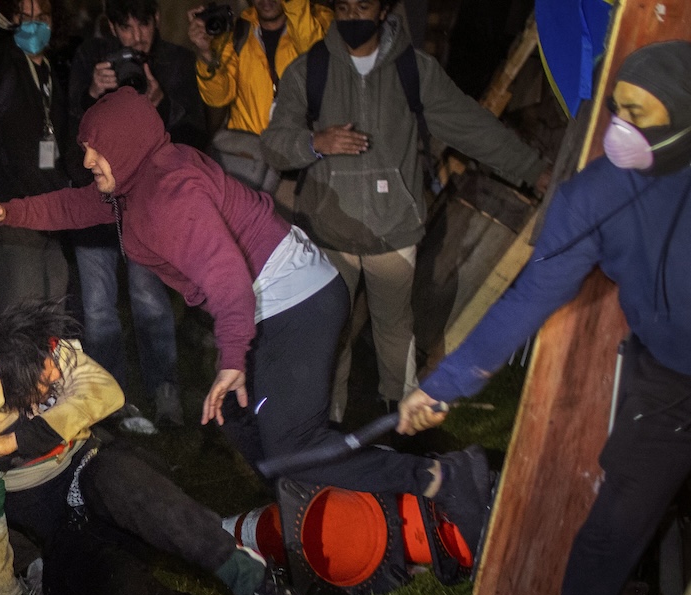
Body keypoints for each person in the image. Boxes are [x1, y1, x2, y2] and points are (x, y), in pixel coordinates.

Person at [0, 87, 492, 552]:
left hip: (297, 304)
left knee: (291, 445)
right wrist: (8, 212)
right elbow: (79, 205)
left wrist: (232, 358)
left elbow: (228, 277)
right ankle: (316, 506)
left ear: (124, 145)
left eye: (95, 152)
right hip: (277, 304)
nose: (88, 161)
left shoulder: (168, 194)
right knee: (238, 419)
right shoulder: (142, 178)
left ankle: (440, 479)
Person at [398, 40, 691, 595]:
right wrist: (443, 385)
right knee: (611, 533)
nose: (621, 126)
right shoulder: (592, 197)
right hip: (670, 385)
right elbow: (531, 296)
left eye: (639, 111)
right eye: (618, 108)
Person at [260, 0, 549, 421]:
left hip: (392, 230)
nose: (353, 16)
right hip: (329, 230)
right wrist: (313, 143)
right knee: (330, 333)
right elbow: (274, 144)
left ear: (382, 11)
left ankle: (401, 420)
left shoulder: (414, 71)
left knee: (395, 332)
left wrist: (532, 171)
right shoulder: (309, 70)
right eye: (344, 6)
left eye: (363, 6)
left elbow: (472, 126)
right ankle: (327, 421)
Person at [0, 299, 294, 595]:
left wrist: (16, 441)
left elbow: (104, 390)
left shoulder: (29, 348)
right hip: (58, 528)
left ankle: (253, 581)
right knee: (121, 588)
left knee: (136, 486)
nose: (57, 374)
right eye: (45, 377)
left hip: (94, 472)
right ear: (13, 388)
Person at [66, 0, 207, 429]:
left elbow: (196, 135)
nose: (136, 37)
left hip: (146, 207)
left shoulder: (175, 62)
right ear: (110, 26)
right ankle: (111, 400)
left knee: (150, 302)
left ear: (157, 21)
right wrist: (91, 94)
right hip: (94, 206)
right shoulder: (91, 59)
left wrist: (162, 102)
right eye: (125, 28)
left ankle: (165, 391)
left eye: (143, 25)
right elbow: (65, 127)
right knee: (98, 308)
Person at [0, 0, 72, 309]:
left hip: (47, 208)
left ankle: (47, 359)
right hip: (7, 207)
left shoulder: (50, 70)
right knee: (24, 307)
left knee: (56, 301)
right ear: (8, 20)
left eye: (42, 16)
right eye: (25, 16)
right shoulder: (0, 64)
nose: (34, 24)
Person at [187, 0, 330, 193]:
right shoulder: (238, 29)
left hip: (300, 165)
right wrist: (206, 55)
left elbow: (318, 66)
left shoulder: (319, 20)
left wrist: (296, 7)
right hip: (249, 164)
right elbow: (219, 98)